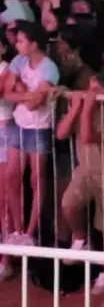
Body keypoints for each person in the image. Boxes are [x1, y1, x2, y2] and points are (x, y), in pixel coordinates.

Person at [58, 72, 104, 294]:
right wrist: (77, 108)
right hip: (85, 170)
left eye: (96, 90)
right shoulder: (82, 109)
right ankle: (80, 238)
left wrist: (86, 108)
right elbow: (61, 133)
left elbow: (87, 136)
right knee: (68, 204)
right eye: (90, 87)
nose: (90, 93)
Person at [4, 21, 59, 247]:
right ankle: (17, 230)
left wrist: (21, 90)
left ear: (34, 44)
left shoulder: (49, 68)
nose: (16, 45)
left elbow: (36, 105)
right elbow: (7, 92)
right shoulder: (19, 61)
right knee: (12, 176)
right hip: (18, 123)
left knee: (37, 180)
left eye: (20, 41)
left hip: (38, 126)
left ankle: (30, 231)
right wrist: (29, 94)